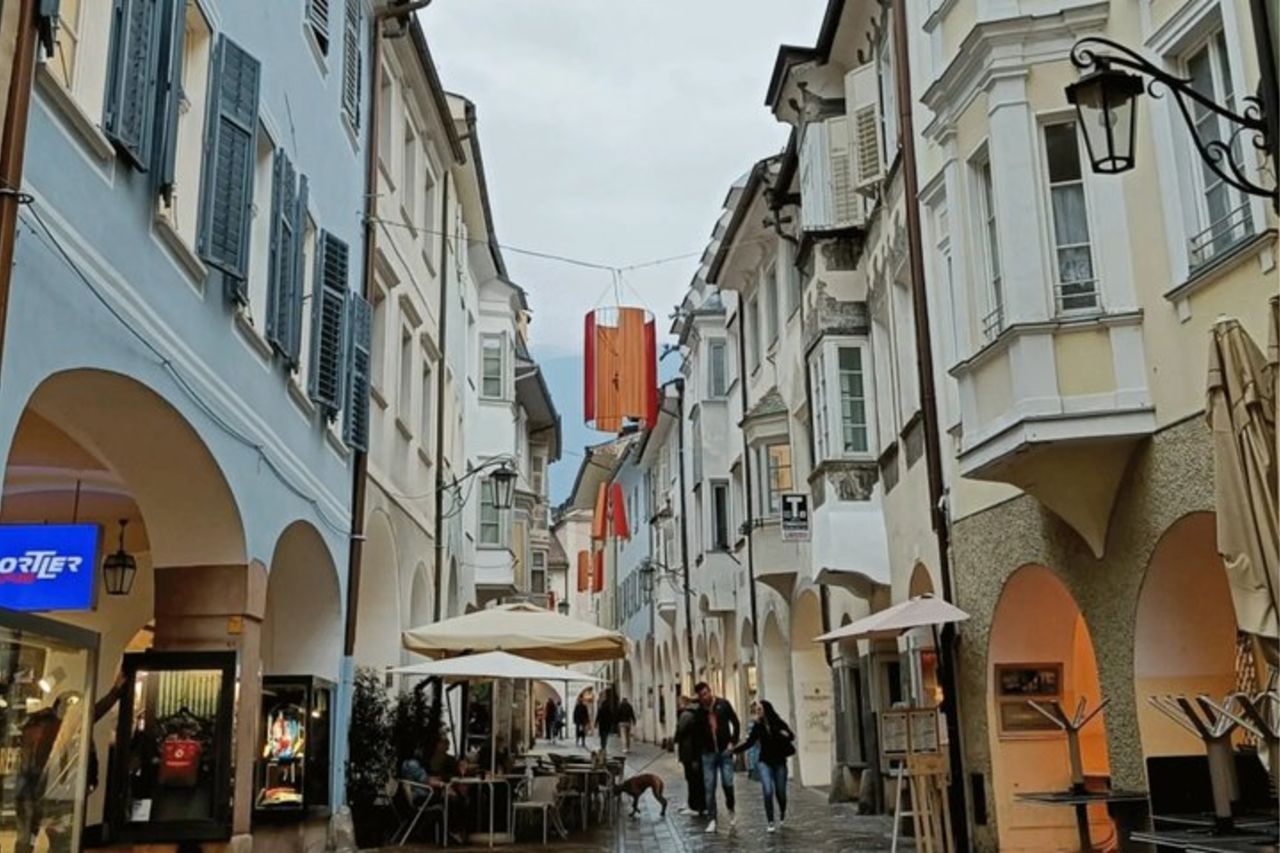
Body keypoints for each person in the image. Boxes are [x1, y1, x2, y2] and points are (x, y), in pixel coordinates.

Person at [733, 700, 795, 832]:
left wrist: (785, 734)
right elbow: (749, 743)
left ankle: (782, 813)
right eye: (756, 710)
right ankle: (770, 821)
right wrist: (734, 750)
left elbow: (791, 736)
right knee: (767, 790)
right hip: (764, 762)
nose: (757, 712)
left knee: (781, 793)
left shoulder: (778, 722)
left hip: (779, 762)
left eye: (759, 709)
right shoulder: (757, 726)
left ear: (766, 709)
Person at [692, 681, 739, 834]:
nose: (704, 697)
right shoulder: (699, 713)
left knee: (728, 784)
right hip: (708, 754)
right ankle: (712, 819)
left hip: (725, 752)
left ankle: (731, 808)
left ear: (710, 691)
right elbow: (695, 736)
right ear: (698, 697)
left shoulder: (723, 704)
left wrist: (733, 742)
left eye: (706, 693)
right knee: (709, 788)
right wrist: (696, 757)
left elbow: (735, 722)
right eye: (701, 696)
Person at [673, 696, 705, 816]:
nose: (677, 705)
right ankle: (701, 805)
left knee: (692, 779)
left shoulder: (686, 715)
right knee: (698, 779)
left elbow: (680, 732)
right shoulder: (698, 713)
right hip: (696, 752)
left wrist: (675, 739)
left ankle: (694, 806)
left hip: (689, 751)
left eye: (679, 703)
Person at [596, 689, 617, 754]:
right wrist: (613, 723)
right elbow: (611, 717)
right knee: (605, 737)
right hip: (607, 726)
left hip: (601, 725)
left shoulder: (600, 710)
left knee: (602, 737)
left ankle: (602, 746)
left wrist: (596, 723)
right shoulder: (608, 710)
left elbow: (598, 717)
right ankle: (604, 747)